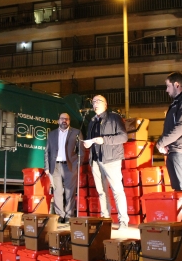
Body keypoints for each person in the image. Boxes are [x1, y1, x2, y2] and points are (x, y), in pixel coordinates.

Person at [83, 95, 129, 230]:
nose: (95, 104)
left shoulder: (114, 118)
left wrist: (104, 140)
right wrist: (88, 143)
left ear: (105, 104)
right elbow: (91, 139)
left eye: (98, 101)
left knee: (117, 191)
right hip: (96, 160)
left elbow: (123, 137)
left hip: (111, 159)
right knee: (101, 191)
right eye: (93, 102)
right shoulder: (92, 121)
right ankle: (105, 220)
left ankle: (123, 221)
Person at [44, 113, 83, 223]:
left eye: (66, 119)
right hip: (54, 166)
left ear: (69, 121)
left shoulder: (76, 133)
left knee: (70, 191)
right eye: (62, 119)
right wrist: (46, 167)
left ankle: (69, 216)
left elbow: (82, 151)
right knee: (57, 191)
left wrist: (78, 165)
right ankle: (59, 215)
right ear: (58, 121)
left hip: (70, 166)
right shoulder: (51, 134)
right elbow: (47, 151)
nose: (64, 121)